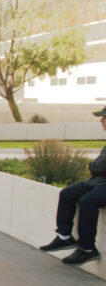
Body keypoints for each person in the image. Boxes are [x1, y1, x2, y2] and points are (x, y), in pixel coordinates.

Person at [40, 106, 106, 265]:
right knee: (67, 193)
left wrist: (93, 167)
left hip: (102, 182)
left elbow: (100, 166)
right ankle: (64, 236)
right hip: (98, 181)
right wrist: (95, 167)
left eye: (104, 117)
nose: (101, 121)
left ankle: (87, 249)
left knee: (87, 201)